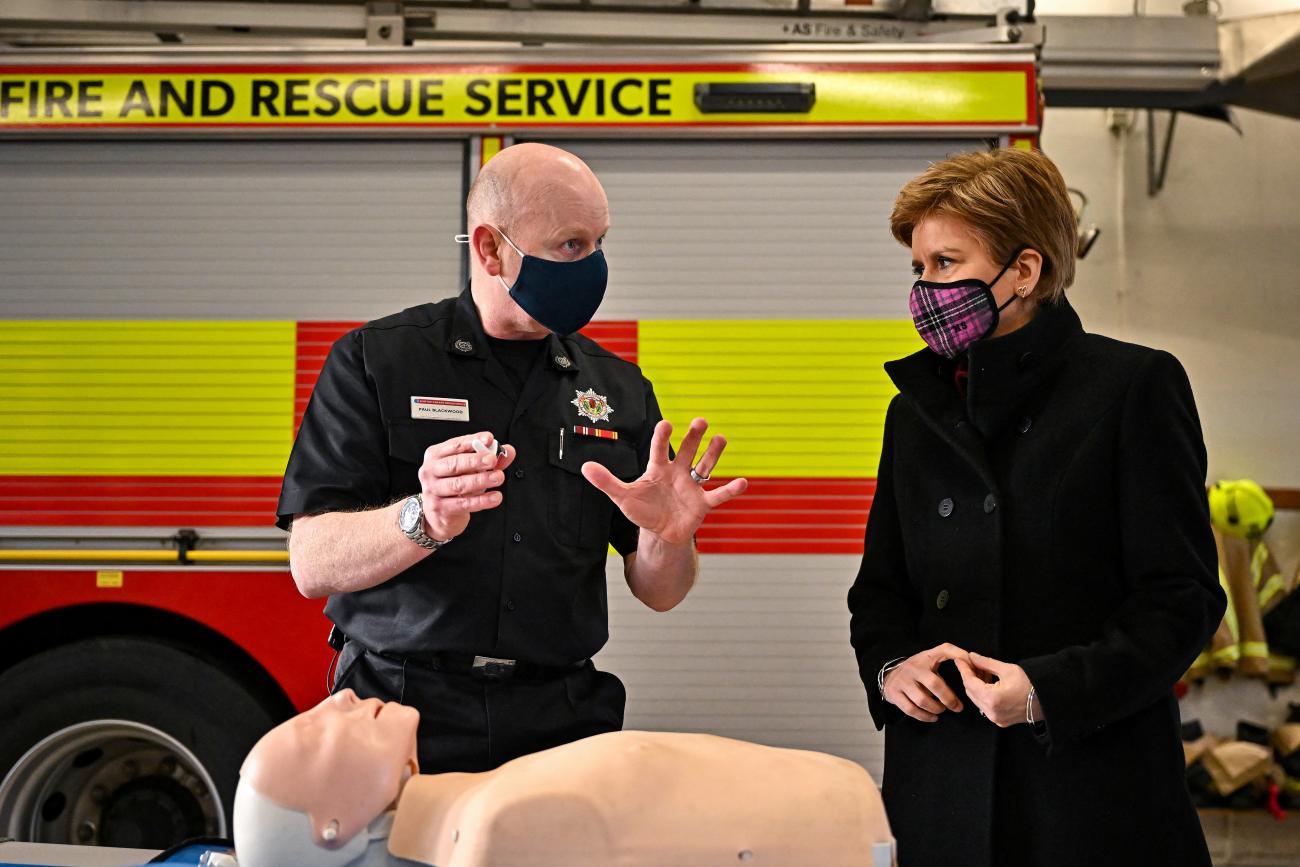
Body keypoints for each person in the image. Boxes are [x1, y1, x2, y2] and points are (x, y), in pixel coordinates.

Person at [277, 143, 747, 774]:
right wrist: (425, 519)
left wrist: (669, 538)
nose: (594, 265)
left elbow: (660, 592)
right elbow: (312, 565)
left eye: (600, 242)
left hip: (564, 719)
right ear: (490, 249)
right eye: (570, 245)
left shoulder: (616, 389)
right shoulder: (376, 361)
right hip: (401, 714)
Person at [846, 148, 1225, 867]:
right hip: (942, 790)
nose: (926, 288)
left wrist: (1047, 690)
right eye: (919, 267)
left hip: (1090, 793)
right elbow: (881, 590)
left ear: (1026, 270)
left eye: (947, 264)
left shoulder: (1132, 388)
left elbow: (1181, 599)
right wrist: (893, 667)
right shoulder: (916, 411)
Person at [233, 689, 897, 867]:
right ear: (333, 828)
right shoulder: (495, 828)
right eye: (314, 733)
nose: (338, 700)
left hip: (849, 821)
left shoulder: (481, 809)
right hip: (853, 826)